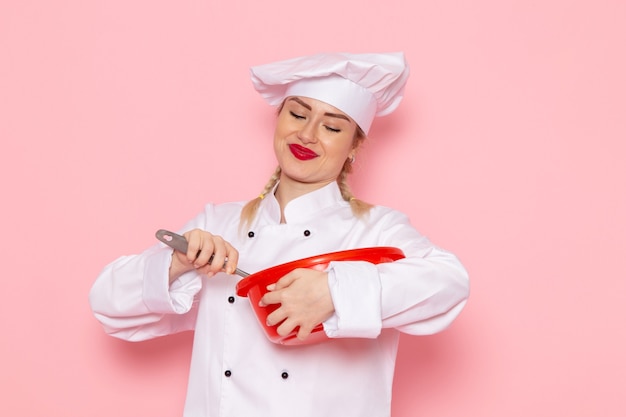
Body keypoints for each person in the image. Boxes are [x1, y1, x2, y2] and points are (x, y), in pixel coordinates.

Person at [89, 52, 469, 417]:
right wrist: (175, 264)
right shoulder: (218, 224)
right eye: (298, 113)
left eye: (332, 126)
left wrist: (333, 292)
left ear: (353, 146)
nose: (306, 134)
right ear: (278, 118)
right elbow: (109, 306)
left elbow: (449, 284)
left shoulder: (376, 229)